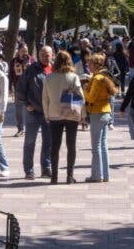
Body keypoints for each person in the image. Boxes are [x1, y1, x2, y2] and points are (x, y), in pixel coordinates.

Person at [42, 51, 85, 185]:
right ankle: (69, 176)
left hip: (54, 114)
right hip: (71, 114)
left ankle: (54, 177)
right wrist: (83, 115)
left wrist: (46, 114)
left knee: (55, 146)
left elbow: (45, 98)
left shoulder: (49, 77)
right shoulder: (73, 77)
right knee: (71, 145)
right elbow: (80, 97)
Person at [17, 46, 53, 180]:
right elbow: (20, 89)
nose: (45, 57)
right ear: (38, 55)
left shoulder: (55, 70)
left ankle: (46, 168)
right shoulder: (30, 70)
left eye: (47, 55)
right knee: (30, 142)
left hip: (49, 112)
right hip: (34, 111)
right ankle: (29, 170)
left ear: (52, 55)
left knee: (48, 142)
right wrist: (27, 104)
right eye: (42, 55)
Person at [83, 52, 118, 183]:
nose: (88, 66)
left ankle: (97, 175)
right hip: (106, 112)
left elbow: (91, 97)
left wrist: (85, 89)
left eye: (90, 63)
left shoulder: (97, 78)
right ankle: (105, 175)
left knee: (96, 146)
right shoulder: (105, 75)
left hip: (97, 113)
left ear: (95, 64)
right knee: (103, 145)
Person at [9, 44, 33, 137]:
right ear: (18, 51)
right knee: (18, 110)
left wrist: (30, 66)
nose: (25, 53)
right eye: (23, 51)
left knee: (30, 109)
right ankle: (20, 129)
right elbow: (11, 74)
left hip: (30, 88)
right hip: (18, 88)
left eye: (26, 51)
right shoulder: (14, 61)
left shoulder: (31, 60)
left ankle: (30, 127)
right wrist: (10, 86)